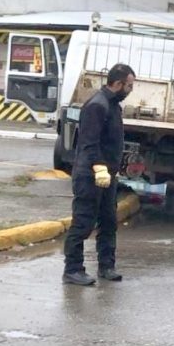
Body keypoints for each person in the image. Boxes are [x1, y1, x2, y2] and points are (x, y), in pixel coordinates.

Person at [62, 63, 135, 286]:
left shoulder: (113, 105)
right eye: (129, 86)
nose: (130, 90)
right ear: (118, 83)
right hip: (90, 174)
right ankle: (72, 270)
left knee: (108, 221)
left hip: (107, 176)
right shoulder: (97, 105)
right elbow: (89, 142)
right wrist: (99, 167)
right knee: (83, 222)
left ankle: (107, 266)